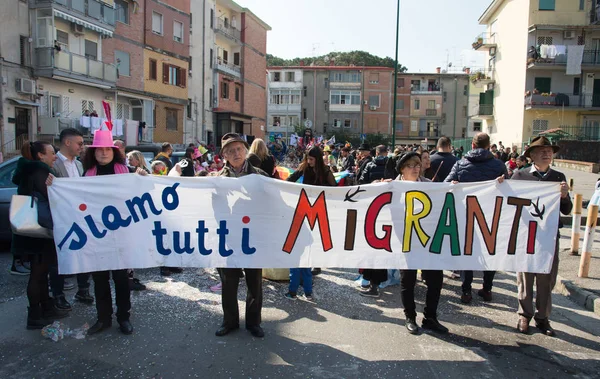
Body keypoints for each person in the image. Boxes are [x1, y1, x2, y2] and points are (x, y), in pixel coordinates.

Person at [82, 129, 147, 335]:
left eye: (106, 149)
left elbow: (143, 193)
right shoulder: (87, 174)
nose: (103, 153)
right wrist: (54, 184)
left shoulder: (126, 172)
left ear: (113, 151)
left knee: (121, 280)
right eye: (98, 149)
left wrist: (143, 178)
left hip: (121, 236)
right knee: (100, 280)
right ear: (93, 153)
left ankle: (124, 318)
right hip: (97, 236)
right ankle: (103, 319)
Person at [511, 137, 572, 336]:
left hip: (549, 236)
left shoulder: (558, 177)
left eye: (549, 151)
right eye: (542, 150)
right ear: (532, 156)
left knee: (547, 277)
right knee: (525, 276)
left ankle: (543, 317)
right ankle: (524, 314)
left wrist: (564, 196)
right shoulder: (519, 176)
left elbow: (567, 209)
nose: (547, 153)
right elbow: (506, 202)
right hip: (526, 235)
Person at [13, 141, 70, 329]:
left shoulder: (29, 169)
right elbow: (52, 198)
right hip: (39, 230)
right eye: (51, 153)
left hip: (32, 228)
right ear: (40, 156)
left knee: (42, 271)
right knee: (38, 273)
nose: (55, 156)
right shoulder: (39, 171)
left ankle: (46, 307)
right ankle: (35, 315)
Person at [216, 133, 268, 338]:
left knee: (254, 282)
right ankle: (230, 321)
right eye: (230, 151)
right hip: (228, 239)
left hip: (253, 238)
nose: (235, 153)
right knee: (228, 283)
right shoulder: (217, 180)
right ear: (225, 156)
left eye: (238, 149)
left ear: (246, 151)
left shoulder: (261, 177)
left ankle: (254, 322)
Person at [445, 132, 507, 304]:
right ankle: (487, 289)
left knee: (468, 250)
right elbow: (509, 188)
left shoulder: (461, 164)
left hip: (467, 214)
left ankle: (466, 291)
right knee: (490, 250)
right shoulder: (499, 165)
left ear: (472, 145)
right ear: (489, 146)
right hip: (491, 214)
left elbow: (446, 185)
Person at [395, 152, 448, 334]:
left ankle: (430, 317)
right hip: (406, 242)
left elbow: (447, 196)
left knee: (435, 280)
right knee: (408, 280)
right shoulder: (391, 186)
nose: (416, 168)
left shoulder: (429, 186)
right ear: (402, 169)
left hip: (428, 241)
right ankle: (410, 317)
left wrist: (454, 189)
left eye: (418, 165)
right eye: (411, 165)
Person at [284, 146, 336, 300]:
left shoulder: (326, 171)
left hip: (319, 210)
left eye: (311, 159)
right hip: (304, 208)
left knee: (313, 243)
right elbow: (291, 179)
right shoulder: (304, 166)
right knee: (301, 243)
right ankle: (304, 282)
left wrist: (317, 189)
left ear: (318, 159)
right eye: (307, 158)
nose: (308, 161)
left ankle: (308, 275)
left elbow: (334, 188)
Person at [50, 128, 94, 308]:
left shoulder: (79, 164)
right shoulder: (53, 164)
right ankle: (58, 294)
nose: (82, 147)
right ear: (67, 143)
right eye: (80, 143)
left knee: (83, 254)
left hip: (80, 217)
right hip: (62, 219)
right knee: (59, 258)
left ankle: (83, 290)